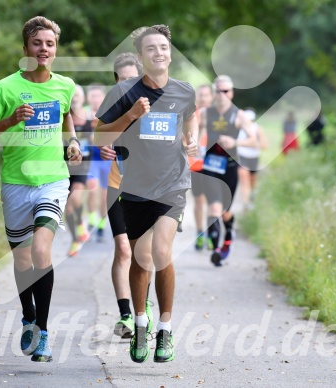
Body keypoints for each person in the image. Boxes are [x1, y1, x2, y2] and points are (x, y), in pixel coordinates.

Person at [0, 16, 82, 363]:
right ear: (25, 49)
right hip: (16, 184)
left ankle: (44, 334)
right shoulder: (5, 88)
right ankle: (29, 317)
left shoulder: (65, 85)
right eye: (37, 43)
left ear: (55, 49)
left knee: (40, 251)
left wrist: (73, 142)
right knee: (22, 259)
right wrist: (9, 120)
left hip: (52, 181)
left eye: (49, 44)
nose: (44, 49)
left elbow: (66, 115)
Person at [94, 25, 198, 363]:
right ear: (141, 57)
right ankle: (141, 324)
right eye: (151, 48)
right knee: (141, 260)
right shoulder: (124, 92)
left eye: (164, 47)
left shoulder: (184, 91)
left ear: (170, 53)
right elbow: (98, 137)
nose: (159, 53)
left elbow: (190, 115)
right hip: (135, 188)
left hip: (173, 185)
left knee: (161, 252)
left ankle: (165, 331)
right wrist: (131, 115)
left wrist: (191, 137)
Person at [98, 53, 154, 339]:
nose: (125, 85)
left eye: (131, 79)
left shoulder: (152, 104)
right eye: (121, 80)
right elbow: (98, 137)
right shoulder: (113, 106)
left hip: (146, 188)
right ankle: (126, 315)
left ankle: (143, 305)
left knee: (145, 253)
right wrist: (103, 147)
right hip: (116, 185)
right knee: (123, 249)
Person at [200, 75, 255, 267]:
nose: (222, 95)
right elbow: (193, 131)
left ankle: (228, 238)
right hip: (210, 167)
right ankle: (216, 250)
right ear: (214, 93)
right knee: (214, 207)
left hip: (230, 167)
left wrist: (235, 142)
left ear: (231, 93)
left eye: (226, 91)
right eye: (218, 91)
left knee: (225, 212)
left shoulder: (239, 115)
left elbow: (253, 139)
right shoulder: (206, 113)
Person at [65, 84, 91, 256]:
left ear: (83, 98)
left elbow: (97, 141)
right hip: (64, 165)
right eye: (72, 95)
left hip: (83, 164)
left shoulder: (90, 118)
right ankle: (75, 238)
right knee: (67, 210)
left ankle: (81, 223)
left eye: (77, 95)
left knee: (75, 196)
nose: (74, 98)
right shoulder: (64, 117)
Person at [85, 84, 111, 241]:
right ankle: (91, 219)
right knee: (91, 188)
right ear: (89, 98)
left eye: (98, 96)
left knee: (105, 195)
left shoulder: (110, 113)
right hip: (92, 159)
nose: (95, 99)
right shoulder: (84, 115)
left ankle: (101, 225)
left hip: (107, 160)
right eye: (92, 96)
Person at [191, 85, 213, 251]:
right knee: (199, 200)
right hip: (196, 164)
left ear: (211, 97)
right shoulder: (192, 115)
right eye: (201, 95)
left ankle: (212, 232)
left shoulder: (218, 115)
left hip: (214, 165)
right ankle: (200, 233)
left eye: (206, 95)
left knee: (213, 201)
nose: (203, 98)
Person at [237, 108, 268, 211]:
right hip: (242, 156)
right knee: (244, 178)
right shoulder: (238, 128)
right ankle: (246, 204)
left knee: (252, 180)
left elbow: (264, 145)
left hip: (254, 157)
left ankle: (252, 199)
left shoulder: (258, 129)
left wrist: (252, 144)